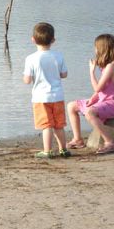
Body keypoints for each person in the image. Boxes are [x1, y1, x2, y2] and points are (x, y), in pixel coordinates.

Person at [66, 34, 114, 154]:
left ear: (102, 48)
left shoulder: (112, 66)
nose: (95, 50)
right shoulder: (107, 66)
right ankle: (78, 139)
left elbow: (98, 87)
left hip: (113, 104)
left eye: (96, 47)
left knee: (90, 112)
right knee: (71, 106)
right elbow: (101, 91)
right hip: (102, 100)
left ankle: (110, 142)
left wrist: (91, 71)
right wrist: (93, 98)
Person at [23, 22, 70, 159]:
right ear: (53, 40)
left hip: (40, 97)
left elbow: (27, 80)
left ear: (33, 39)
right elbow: (64, 74)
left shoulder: (31, 58)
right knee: (59, 125)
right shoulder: (58, 56)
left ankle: (47, 150)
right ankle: (63, 149)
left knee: (46, 125)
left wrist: (27, 78)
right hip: (58, 96)